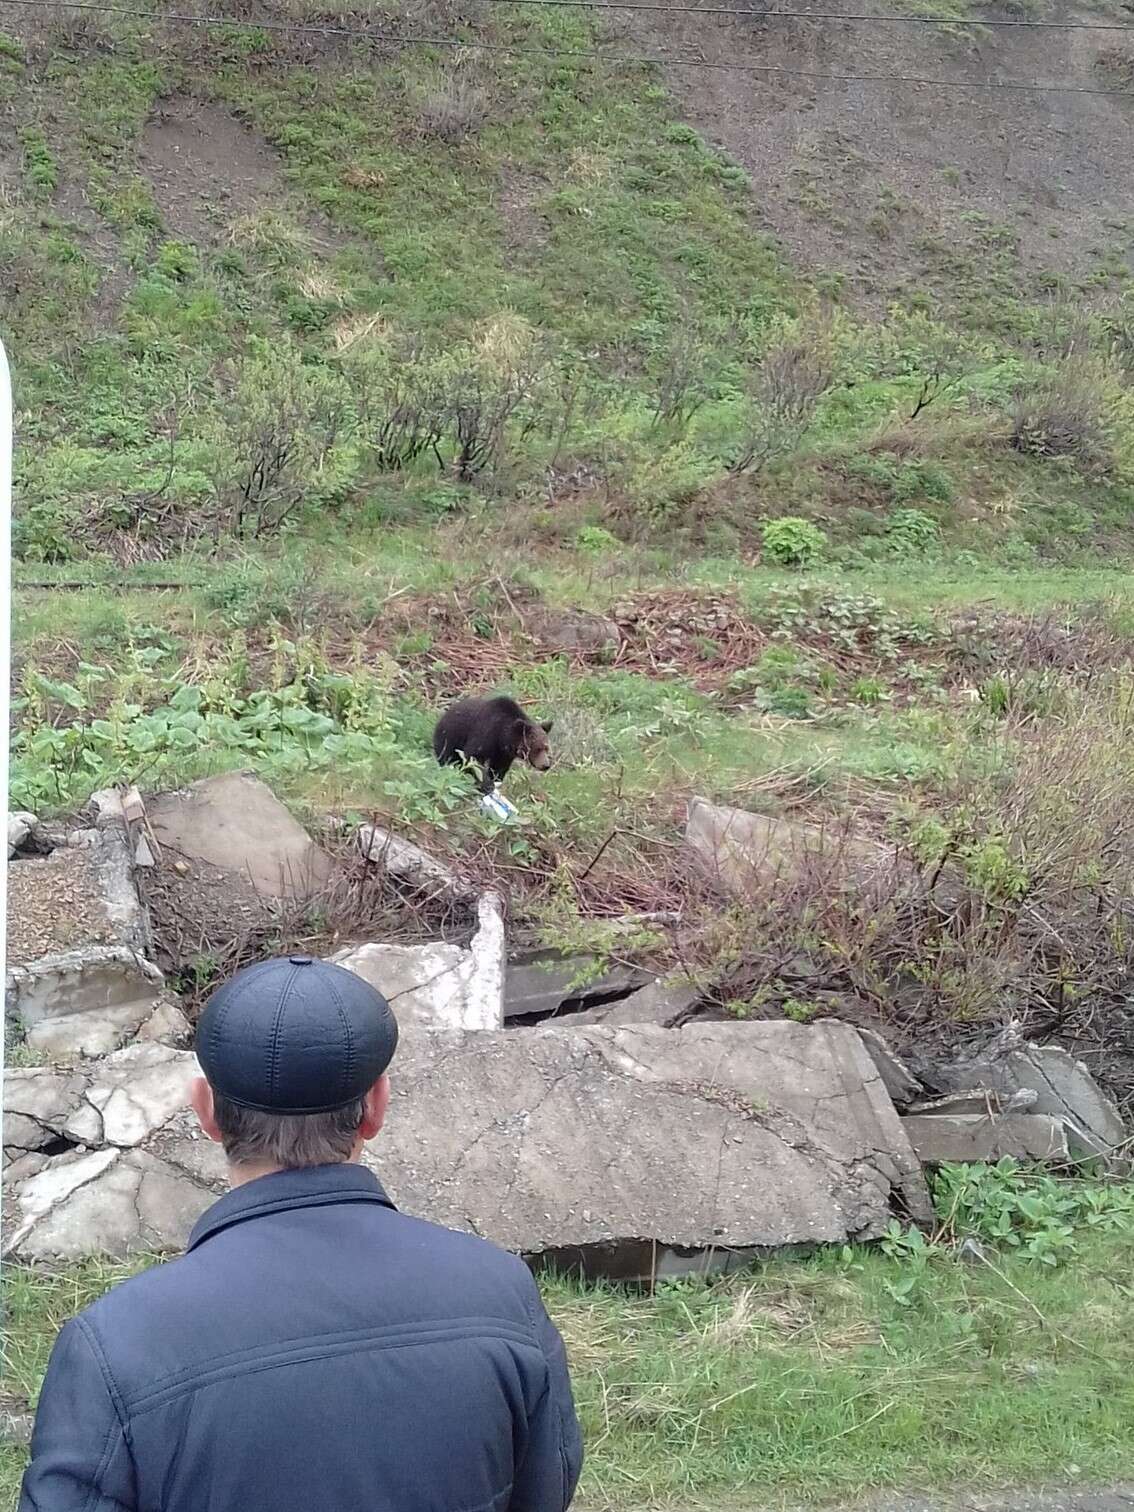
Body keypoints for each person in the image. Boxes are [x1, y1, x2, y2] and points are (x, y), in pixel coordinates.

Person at [19, 953, 584, 1512]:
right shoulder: (502, 1294)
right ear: (376, 1108)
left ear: (207, 1111)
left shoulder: (115, 1344)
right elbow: (545, 1489)